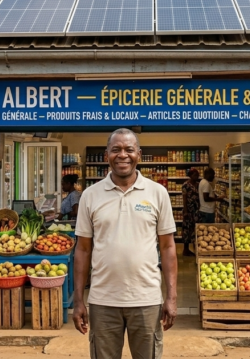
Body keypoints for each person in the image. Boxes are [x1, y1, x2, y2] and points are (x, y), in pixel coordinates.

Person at [73, 128, 177, 359]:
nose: (122, 155)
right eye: (116, 150)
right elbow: (82, 249)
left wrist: (171, 297)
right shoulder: (90, 195)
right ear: (106, 155)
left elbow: (168, 247)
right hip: (103, 301)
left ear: (138, 154)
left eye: (129, 149)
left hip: (146, 300)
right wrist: (78, 300)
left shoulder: (158, 193)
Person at [181, 168, 201, 257]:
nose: (197, 177)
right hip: (188, 210)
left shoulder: (198, 185)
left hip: (196, 211)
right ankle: (186, 250)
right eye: (195, 175)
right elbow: (184, 199)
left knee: (195, 230)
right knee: (187, 230)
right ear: (190, 175)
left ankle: (196, 249)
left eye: (197, 175)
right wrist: (185, 212)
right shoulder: (185, 185)